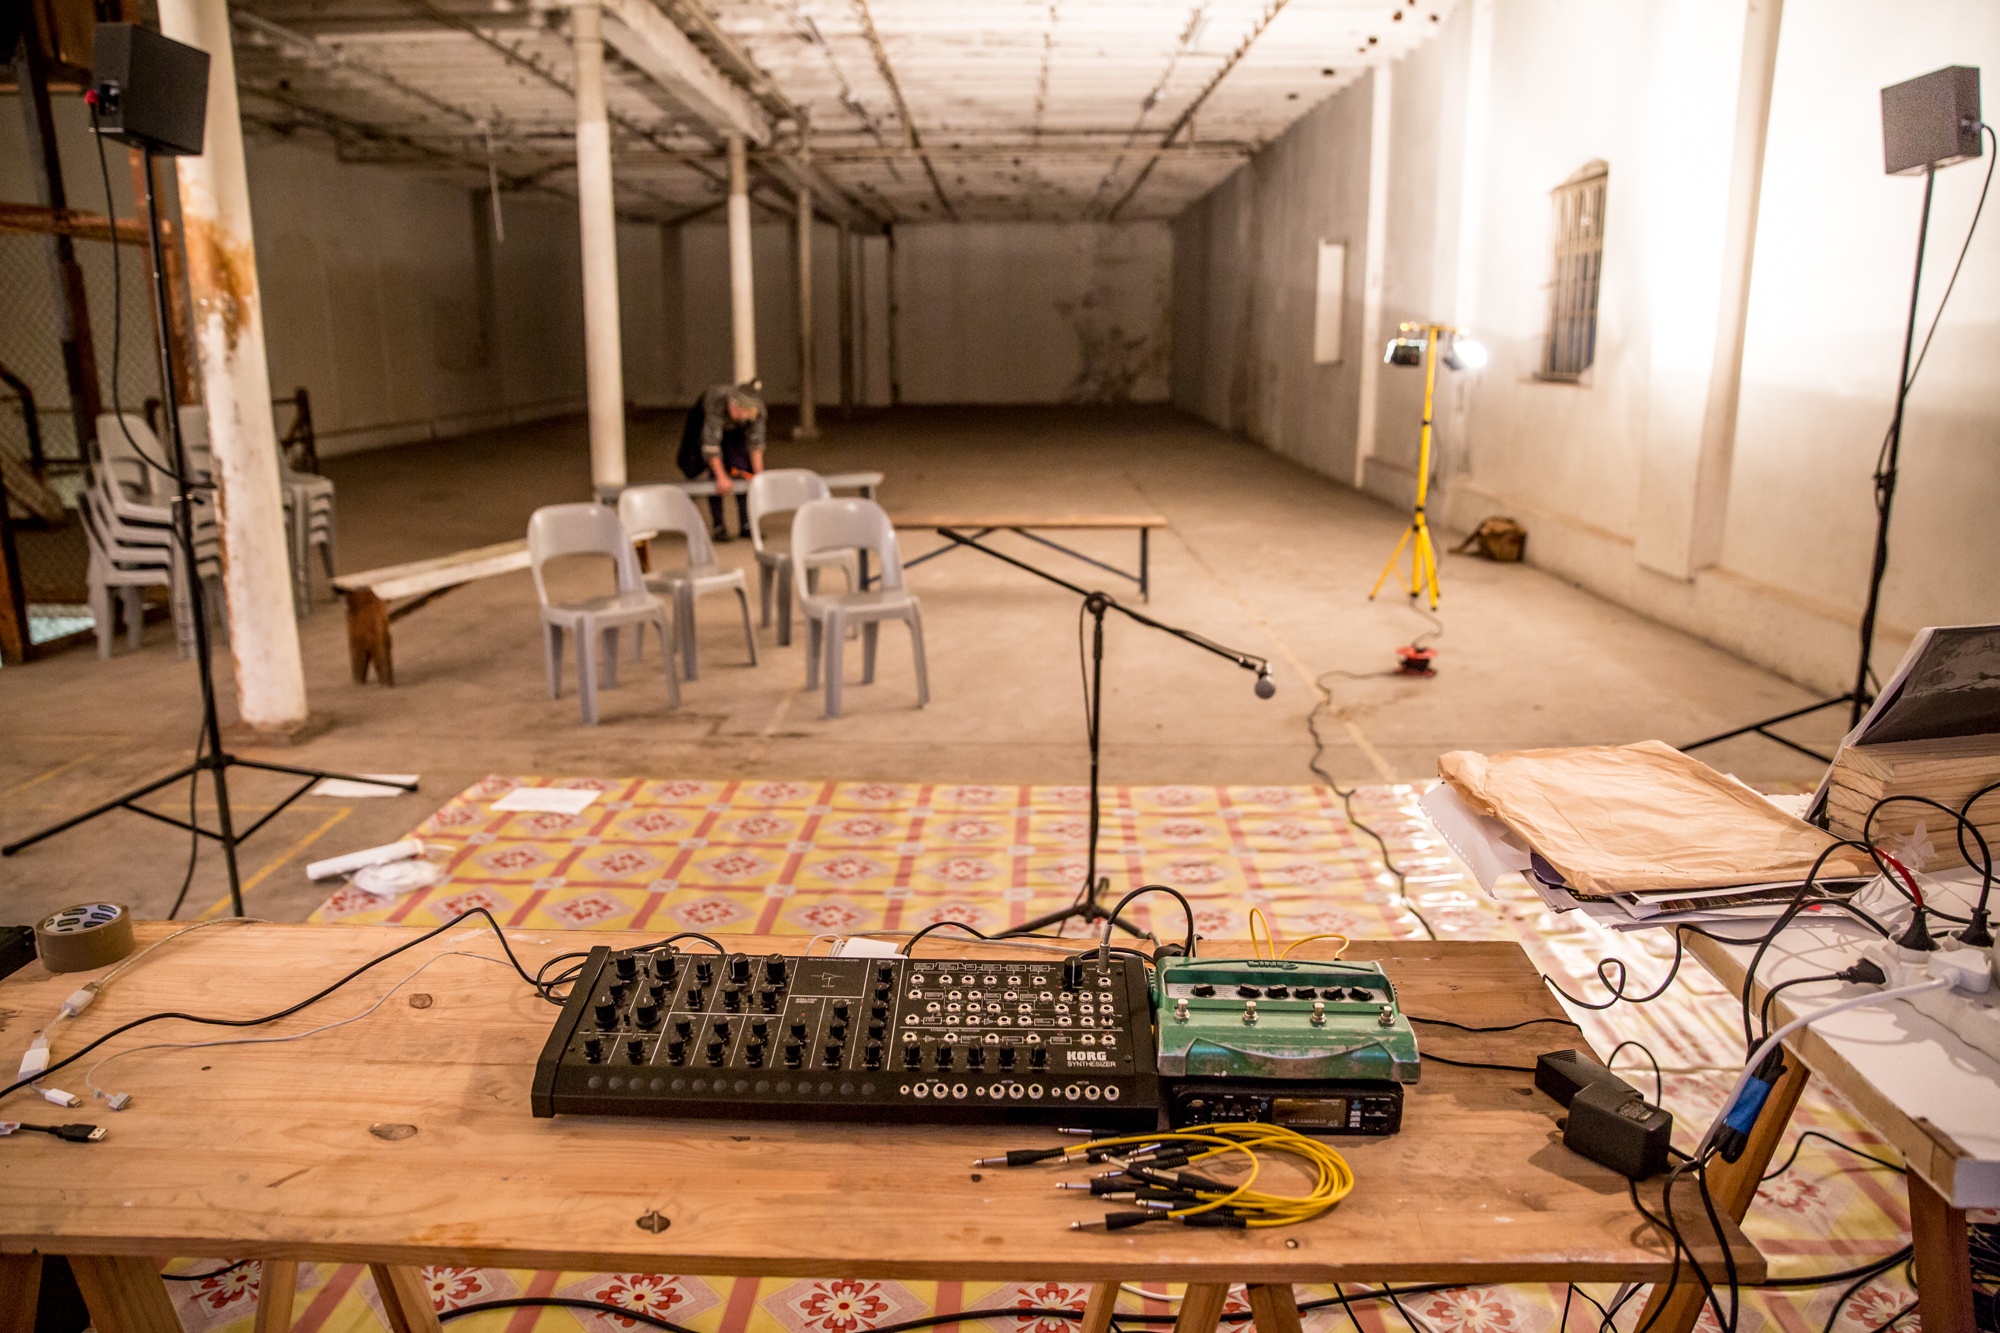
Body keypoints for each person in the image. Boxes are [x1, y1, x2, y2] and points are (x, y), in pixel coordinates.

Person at [676, 379, 766, 541]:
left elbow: (756, 445)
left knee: (743, 469)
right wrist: (721, 476)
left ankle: (746, 524)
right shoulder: (716, 402)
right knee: (711, 470)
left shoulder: (757, 412)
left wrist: (759, 477)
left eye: (740, 410)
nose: (735, 411)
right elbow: (711, 445)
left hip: (734, 429)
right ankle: (719, 526)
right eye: (733, 407)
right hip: (704, 419)